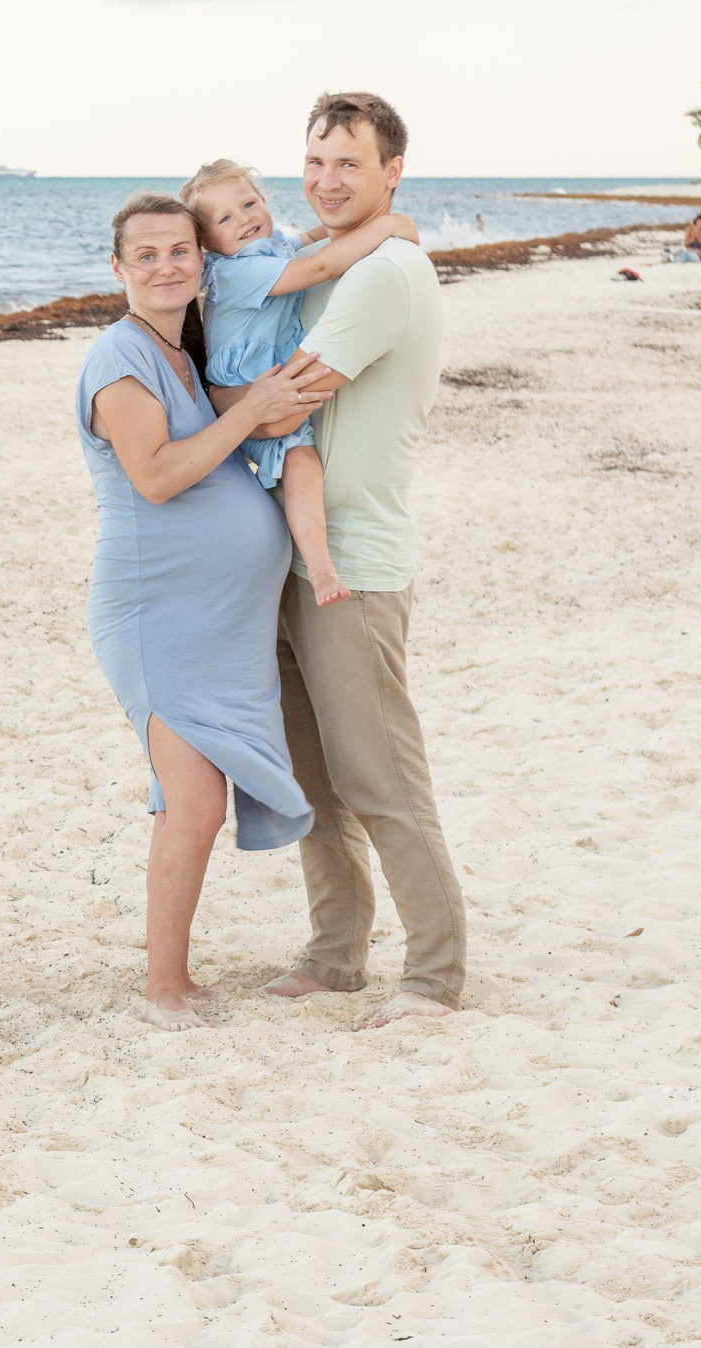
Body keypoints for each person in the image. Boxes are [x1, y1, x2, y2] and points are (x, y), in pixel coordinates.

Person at [212, 91, 465, 1029]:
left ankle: (436, 976)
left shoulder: (384, 273)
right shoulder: (316, 268)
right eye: (314, 163)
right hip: (286, 552)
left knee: (380, 775)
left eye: (348, 165)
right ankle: (335, 954)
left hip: (350, 560)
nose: (325, 182)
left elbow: (284, 403)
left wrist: (205, 397)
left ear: (392, 170)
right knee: (313, 776)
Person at [74, 194, 327, 1030]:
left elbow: (245, 423)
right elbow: (155, 475)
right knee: (194, 802)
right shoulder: (120, 359)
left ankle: (173, 978)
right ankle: (162, 992)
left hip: (216, 620)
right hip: (159, 615)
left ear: (202, 259)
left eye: (180, 251)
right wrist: (255, 410)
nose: (165, 267)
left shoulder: (186, 348)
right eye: (145, 255)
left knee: (192, 800)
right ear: (118, 269)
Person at [179, 159, 421, 608]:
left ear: (264, 200)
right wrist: (387, 227)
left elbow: (310, 241)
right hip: (250, 386)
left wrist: (340, 228)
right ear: (207, 242)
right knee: (303, 467)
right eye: (226, 218)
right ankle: (322, 567)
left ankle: (302, 561)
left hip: (262, 377)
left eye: (249, 203)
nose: (245, 218)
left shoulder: (269, 246)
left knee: (298, 471)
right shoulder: (236, 272)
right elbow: (318, 268)